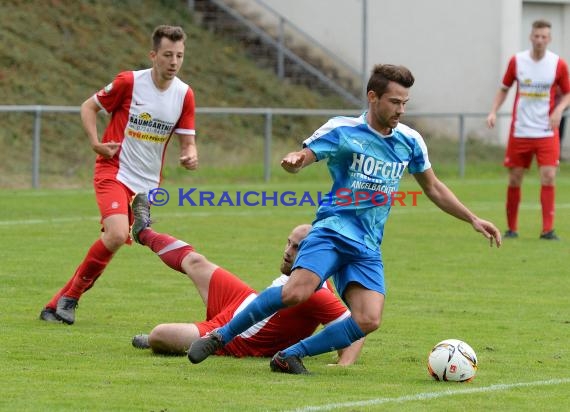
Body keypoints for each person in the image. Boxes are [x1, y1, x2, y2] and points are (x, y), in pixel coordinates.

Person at [185, 64, 502, 374]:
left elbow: (433, 187)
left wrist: (472, 218)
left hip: (367, 245)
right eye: (394, 102)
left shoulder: (410, 141)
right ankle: (220, 336)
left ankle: (289, 356)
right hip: (332, 230)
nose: (400, 110)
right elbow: (308, 154)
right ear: (373, 97)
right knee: (296, 292)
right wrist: (297, 161)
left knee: (368, 319)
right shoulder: (343, 130)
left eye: (405, 103)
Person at [39, 25, 198, 325]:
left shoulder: (184, 95)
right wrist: (95, 142)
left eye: (179, 55)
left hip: (147, 185)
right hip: (114, 169)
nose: (174, 62)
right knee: (115, 234)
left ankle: (55, 305)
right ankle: (70, 298)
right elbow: (88, 107)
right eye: (167, 55)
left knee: (115, 239)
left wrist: (190, 154)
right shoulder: (130, 82)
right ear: (153, 55)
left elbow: (188, 141)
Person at [129, 194, 364, 365]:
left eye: (296, 247)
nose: (287, 251)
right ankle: (143, 232)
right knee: (196, 262)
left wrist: (343, 364)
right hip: (243, 300)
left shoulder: (316, 293)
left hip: (237, 335)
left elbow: (354, 330)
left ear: (313, 253)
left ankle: (154, 341)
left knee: (161, 333)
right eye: (288, 242)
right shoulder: (311, 275)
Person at [487, 19, 570, 240]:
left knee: (549, 176)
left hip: (546, 131)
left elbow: (568, 93)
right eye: (537, 36)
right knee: (515, 178)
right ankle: (511, 229)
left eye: (544, 37)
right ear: (531, 37)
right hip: (520, 130)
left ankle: (548, 230)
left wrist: (559, 109)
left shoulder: (558, 64)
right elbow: (504, 88)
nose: (540, 40)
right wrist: (493, 111)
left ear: (549, 39)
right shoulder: (518, 61)